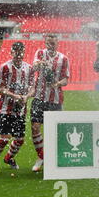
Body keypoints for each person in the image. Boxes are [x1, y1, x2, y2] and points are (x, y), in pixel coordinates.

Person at [0, 42, 34, 174]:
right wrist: (14, 96)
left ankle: (8, 158)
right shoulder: (5, 67)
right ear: (12, 52)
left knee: (19, 140)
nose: (19, 55)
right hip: (4, 108)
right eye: (16, 52)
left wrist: (26, 97)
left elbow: (32, 88)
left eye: (21, 52)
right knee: (4, 138)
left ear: (24, 52)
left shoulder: (29, 69)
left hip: (20, 109)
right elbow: (1, 88)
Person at [31, 34, 70, 172]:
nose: (50, 45)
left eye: (53, 43)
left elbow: (66, 79)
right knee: (35, 127)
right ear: (45, 42)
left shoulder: (63, 58)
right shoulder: (40, 53)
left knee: (55, 131)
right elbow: (34, 67)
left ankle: (56, 159)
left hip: (55, 100)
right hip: (39, 98)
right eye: (48, 43)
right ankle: (41, 157)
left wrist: (57, 84)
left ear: (57, 43)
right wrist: (41, 63)